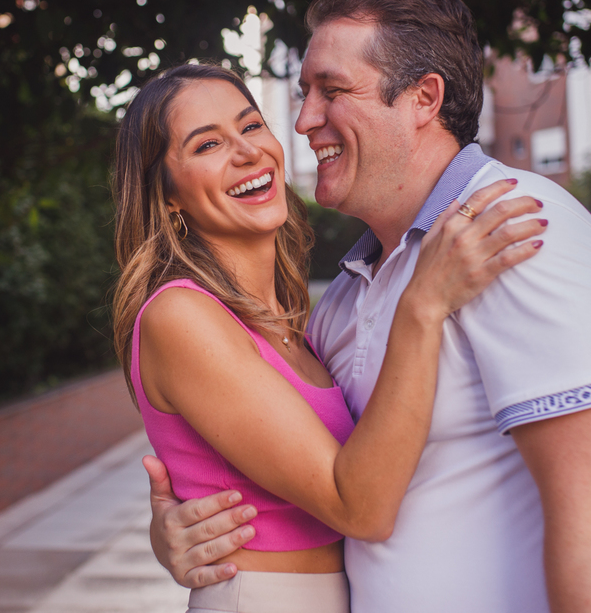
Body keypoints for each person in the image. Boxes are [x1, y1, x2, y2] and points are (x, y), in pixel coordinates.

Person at [145, 0, 591, 613]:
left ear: (423, 98)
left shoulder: (512, 232)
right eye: (304, 94)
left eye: (332, 90)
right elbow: (314, 475)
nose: (303, 121)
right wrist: (185, 528)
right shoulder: (345, 296)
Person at [112, 61, 546, 613]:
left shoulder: (294, 323)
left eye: (251, 126)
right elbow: (358, 507)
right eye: (207, 145)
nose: (247, 152)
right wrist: (422, 305)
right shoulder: (180, 315)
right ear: (168, 194)